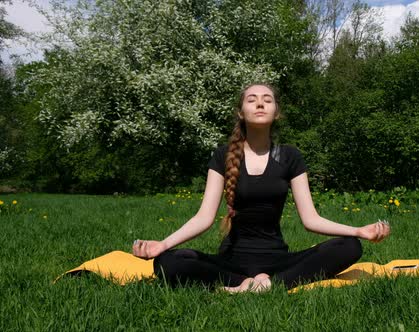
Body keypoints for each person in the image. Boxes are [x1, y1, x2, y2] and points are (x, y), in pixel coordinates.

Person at [132, 83, 390, 292]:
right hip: (231, 263)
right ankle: (243, 283)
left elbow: (311, 220)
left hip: (278, 262)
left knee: (350, 246)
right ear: (240, 112)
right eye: (252, 99)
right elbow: (204, 218)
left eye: (267, 99)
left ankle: (266, 284)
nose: (259, 103)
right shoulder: (223, 155)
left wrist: (358, 230)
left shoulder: (289, 156)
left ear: (276, 112)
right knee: (167, 262)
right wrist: (162, 245)